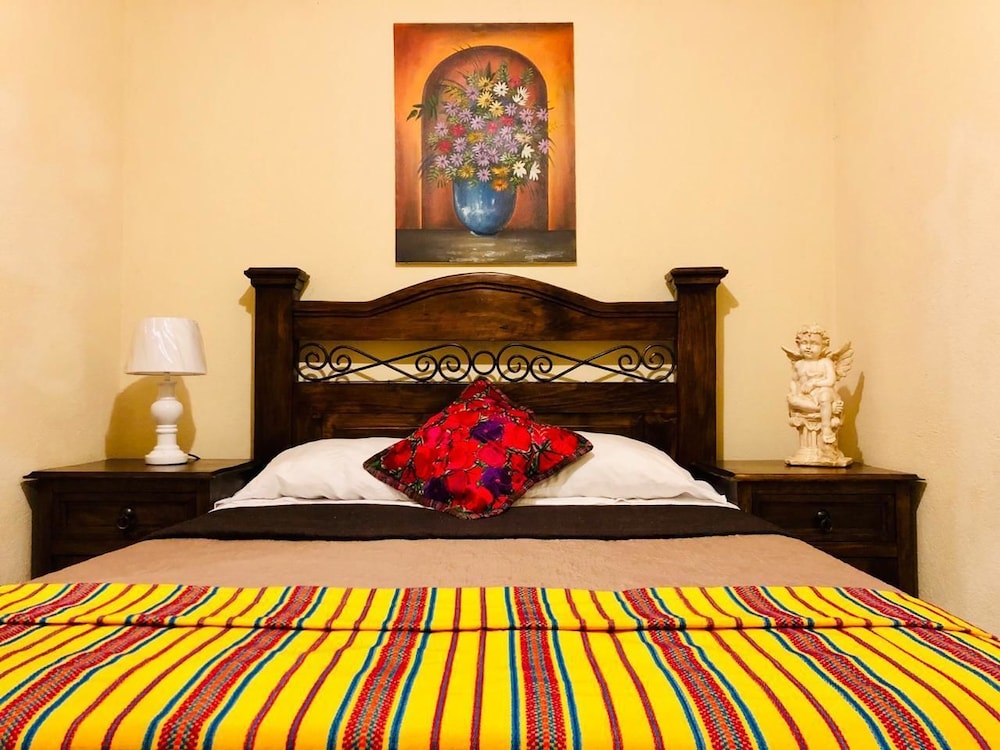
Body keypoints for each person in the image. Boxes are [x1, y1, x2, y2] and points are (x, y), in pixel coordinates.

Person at [785, 325, 840, 444]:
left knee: (825, 395)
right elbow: (794, 381)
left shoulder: (825, 362)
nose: (808, 347)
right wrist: (793, 393)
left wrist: (814, 383)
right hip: (807, 398)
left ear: (823, 346)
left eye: (814, 343)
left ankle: (826, 427)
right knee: (791, 399)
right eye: (804, 343)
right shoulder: (799, 364)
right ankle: (824, 409)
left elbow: (830, 381)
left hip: (823, 394)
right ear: (798, 345)